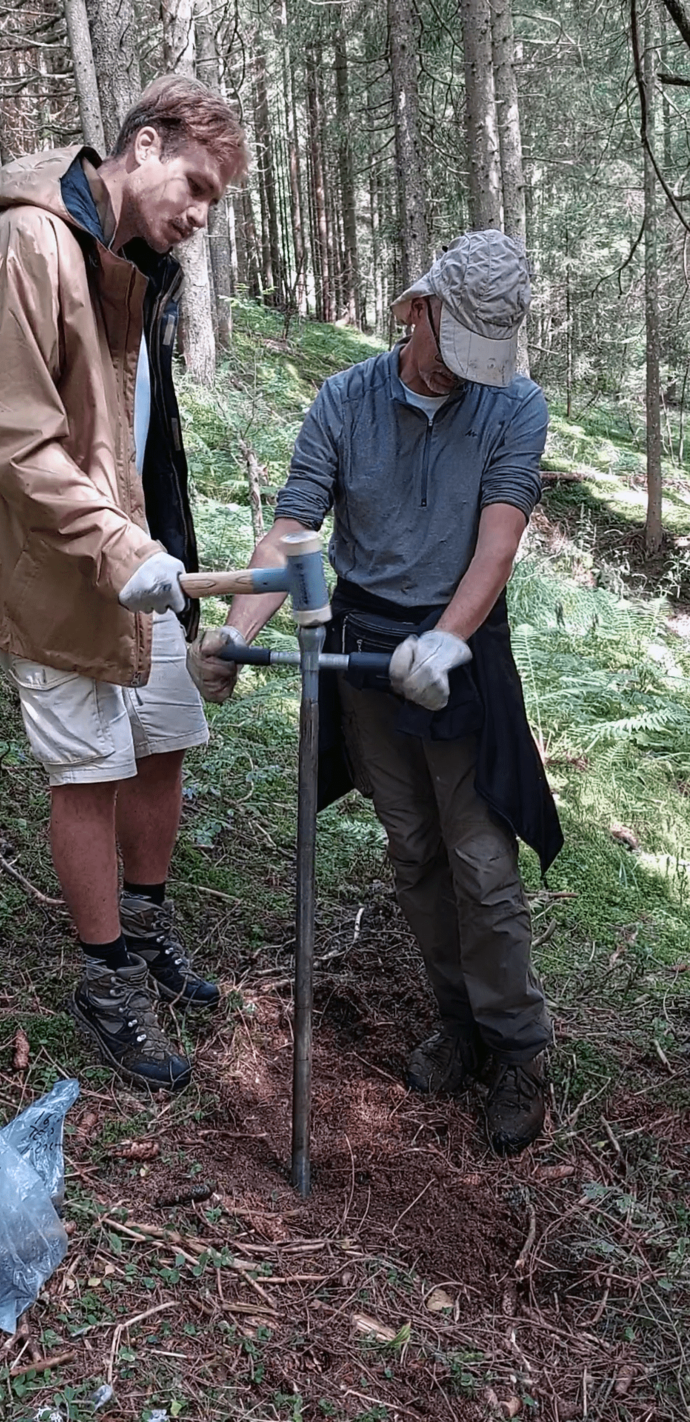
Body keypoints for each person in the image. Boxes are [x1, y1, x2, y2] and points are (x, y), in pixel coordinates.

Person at [187, 231, 563, 1153]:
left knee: (482, 862)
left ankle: (519, 1047)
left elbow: (499, 538)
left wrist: (447, 639)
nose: (464, 375)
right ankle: (458, 1021)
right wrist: (237, 638)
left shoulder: (515, 406)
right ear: (418, 309)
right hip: (362, 648)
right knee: (414, 852)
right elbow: (291, 533)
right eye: (453, 347)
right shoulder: (345, 400)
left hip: (460, 648)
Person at [0, 75, 249, 1092]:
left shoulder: (139, 260)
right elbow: (12, 432)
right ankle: (104, 982)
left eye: (213, 204)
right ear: (141, 146)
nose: (196, 216)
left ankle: (145, 933)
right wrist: (115, 550)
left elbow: (147, 435)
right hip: (54, 561)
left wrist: (161, 552)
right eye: (192, 186)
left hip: (138, 551)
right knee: (90, 770)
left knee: (163, 741)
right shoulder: (29, 241)